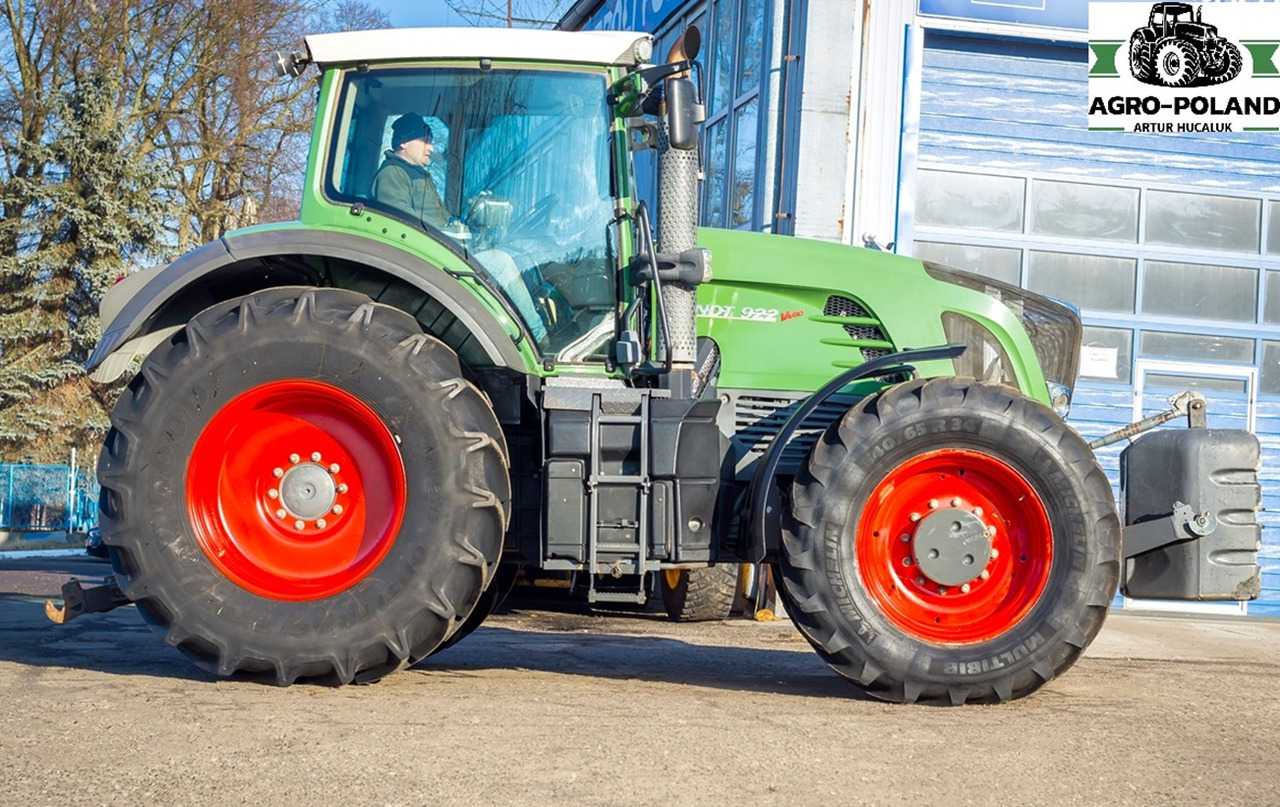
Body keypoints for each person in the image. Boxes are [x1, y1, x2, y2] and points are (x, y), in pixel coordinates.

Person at [371, 113, 450, 229]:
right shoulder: (393, 173)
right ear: (404, 142)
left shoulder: (419, 174)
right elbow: (398, 214)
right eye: (425, 141)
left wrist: (453, 224)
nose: (431, 148)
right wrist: (442, 228)